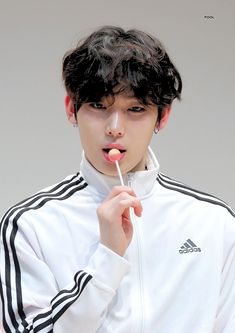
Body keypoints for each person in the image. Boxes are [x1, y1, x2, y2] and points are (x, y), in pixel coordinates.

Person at [0, 25, 234, 333]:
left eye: (135, 109)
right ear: (72, 109)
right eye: (98, 106)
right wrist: (107, 258)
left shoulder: (213, 222)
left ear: (162, 116)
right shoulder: (30, 224)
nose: (115, 128)